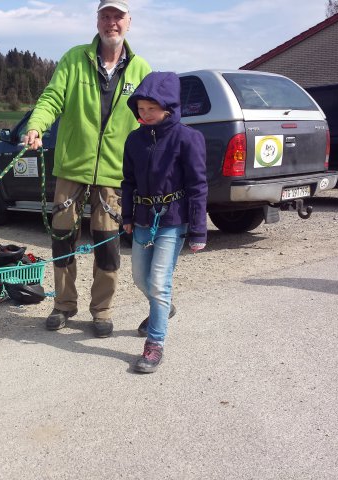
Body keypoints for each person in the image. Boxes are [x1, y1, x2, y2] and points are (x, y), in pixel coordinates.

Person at [23, 0, 151, 338]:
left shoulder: (141, 70)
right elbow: (51, 98)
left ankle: (102, 310)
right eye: (106, 16)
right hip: (72, 168)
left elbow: (150, 119)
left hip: (114, 173)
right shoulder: (74, 59)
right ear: (97, 21)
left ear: (128, 22)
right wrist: (36, 126)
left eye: (118, 17)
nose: (112, 23)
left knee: (107, 244)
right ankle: (64, 305)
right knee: (62, 238)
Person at [121, 71, 208, 373]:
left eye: (151, 110)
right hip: (143, 220)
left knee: (159, 283)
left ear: (169, 107)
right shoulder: (134, 140)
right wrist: (128, 217)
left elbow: (198, 186)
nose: (144, 115)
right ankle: (164, 307)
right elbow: (128, 181)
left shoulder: (189, 139)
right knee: (139, 279)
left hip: (173, 221)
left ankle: (155, 344)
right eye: (140, 109)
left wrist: (198, 229)